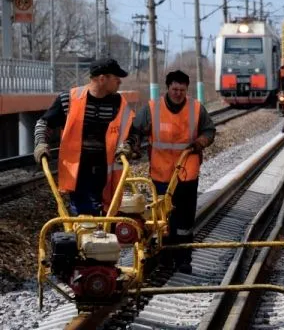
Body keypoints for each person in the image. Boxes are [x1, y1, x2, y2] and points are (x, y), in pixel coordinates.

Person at [116, 70, 216, 274]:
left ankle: (184, 259)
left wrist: (200, 142)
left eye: (181, 89)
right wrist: (132, 145)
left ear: (186, 90)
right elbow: (135, 130)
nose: (178, 93)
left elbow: (209, 130)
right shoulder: (152, 109)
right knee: (163, 220)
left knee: (185, 219)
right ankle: (165, 258)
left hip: (186, 173)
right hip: (161, 175)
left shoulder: (196, 108)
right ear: (167, 88)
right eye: (174, 89)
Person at [34, 58, 134, 216]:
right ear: (102, 79)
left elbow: (131, 131)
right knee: (87, 214)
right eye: (116, 78)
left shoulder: (119, 103)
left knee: (108, 213)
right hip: (78, 172)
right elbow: (44, 123)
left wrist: (128, 144)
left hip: (107, 173)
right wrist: (41, 144)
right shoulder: (69, 99)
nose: (120, 82)